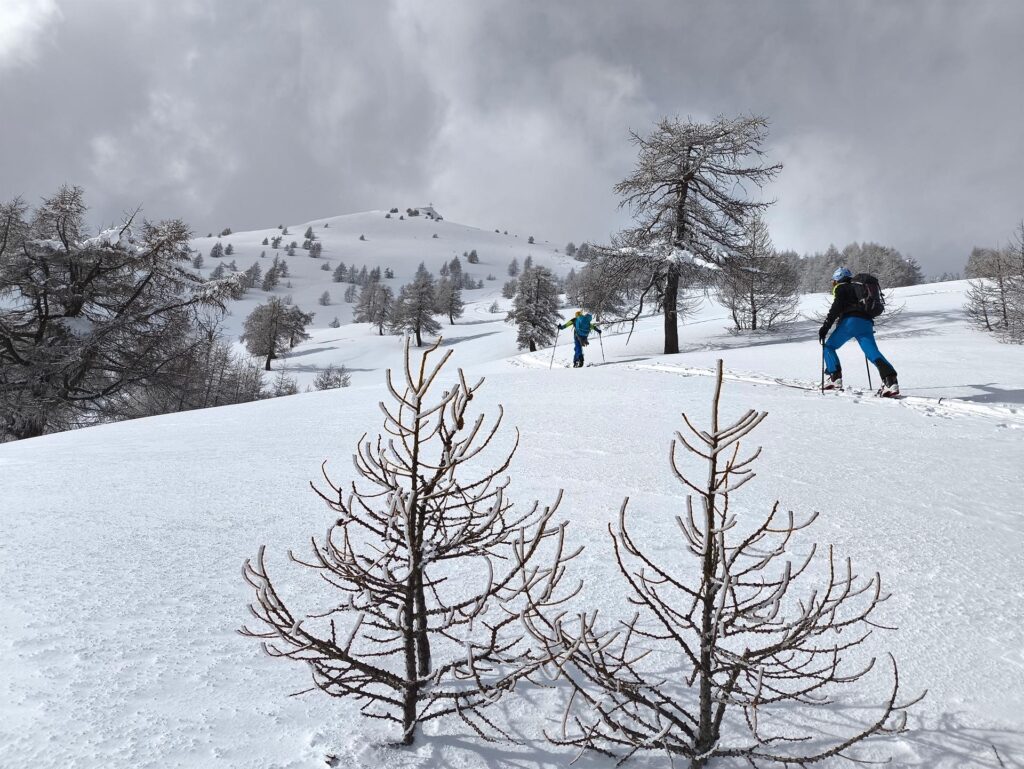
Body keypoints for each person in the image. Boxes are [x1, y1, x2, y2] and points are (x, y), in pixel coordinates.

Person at [819, 267, 899, 397]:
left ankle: (835, 378)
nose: (833, 283)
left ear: (838, 279)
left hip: (850, 323)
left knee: (829, 346)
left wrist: (825, 327)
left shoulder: (841, 288)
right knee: (873, 353)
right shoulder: (860, 288)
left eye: (834, 280)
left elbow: (836, 307)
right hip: (866, 323)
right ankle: (890, 381)